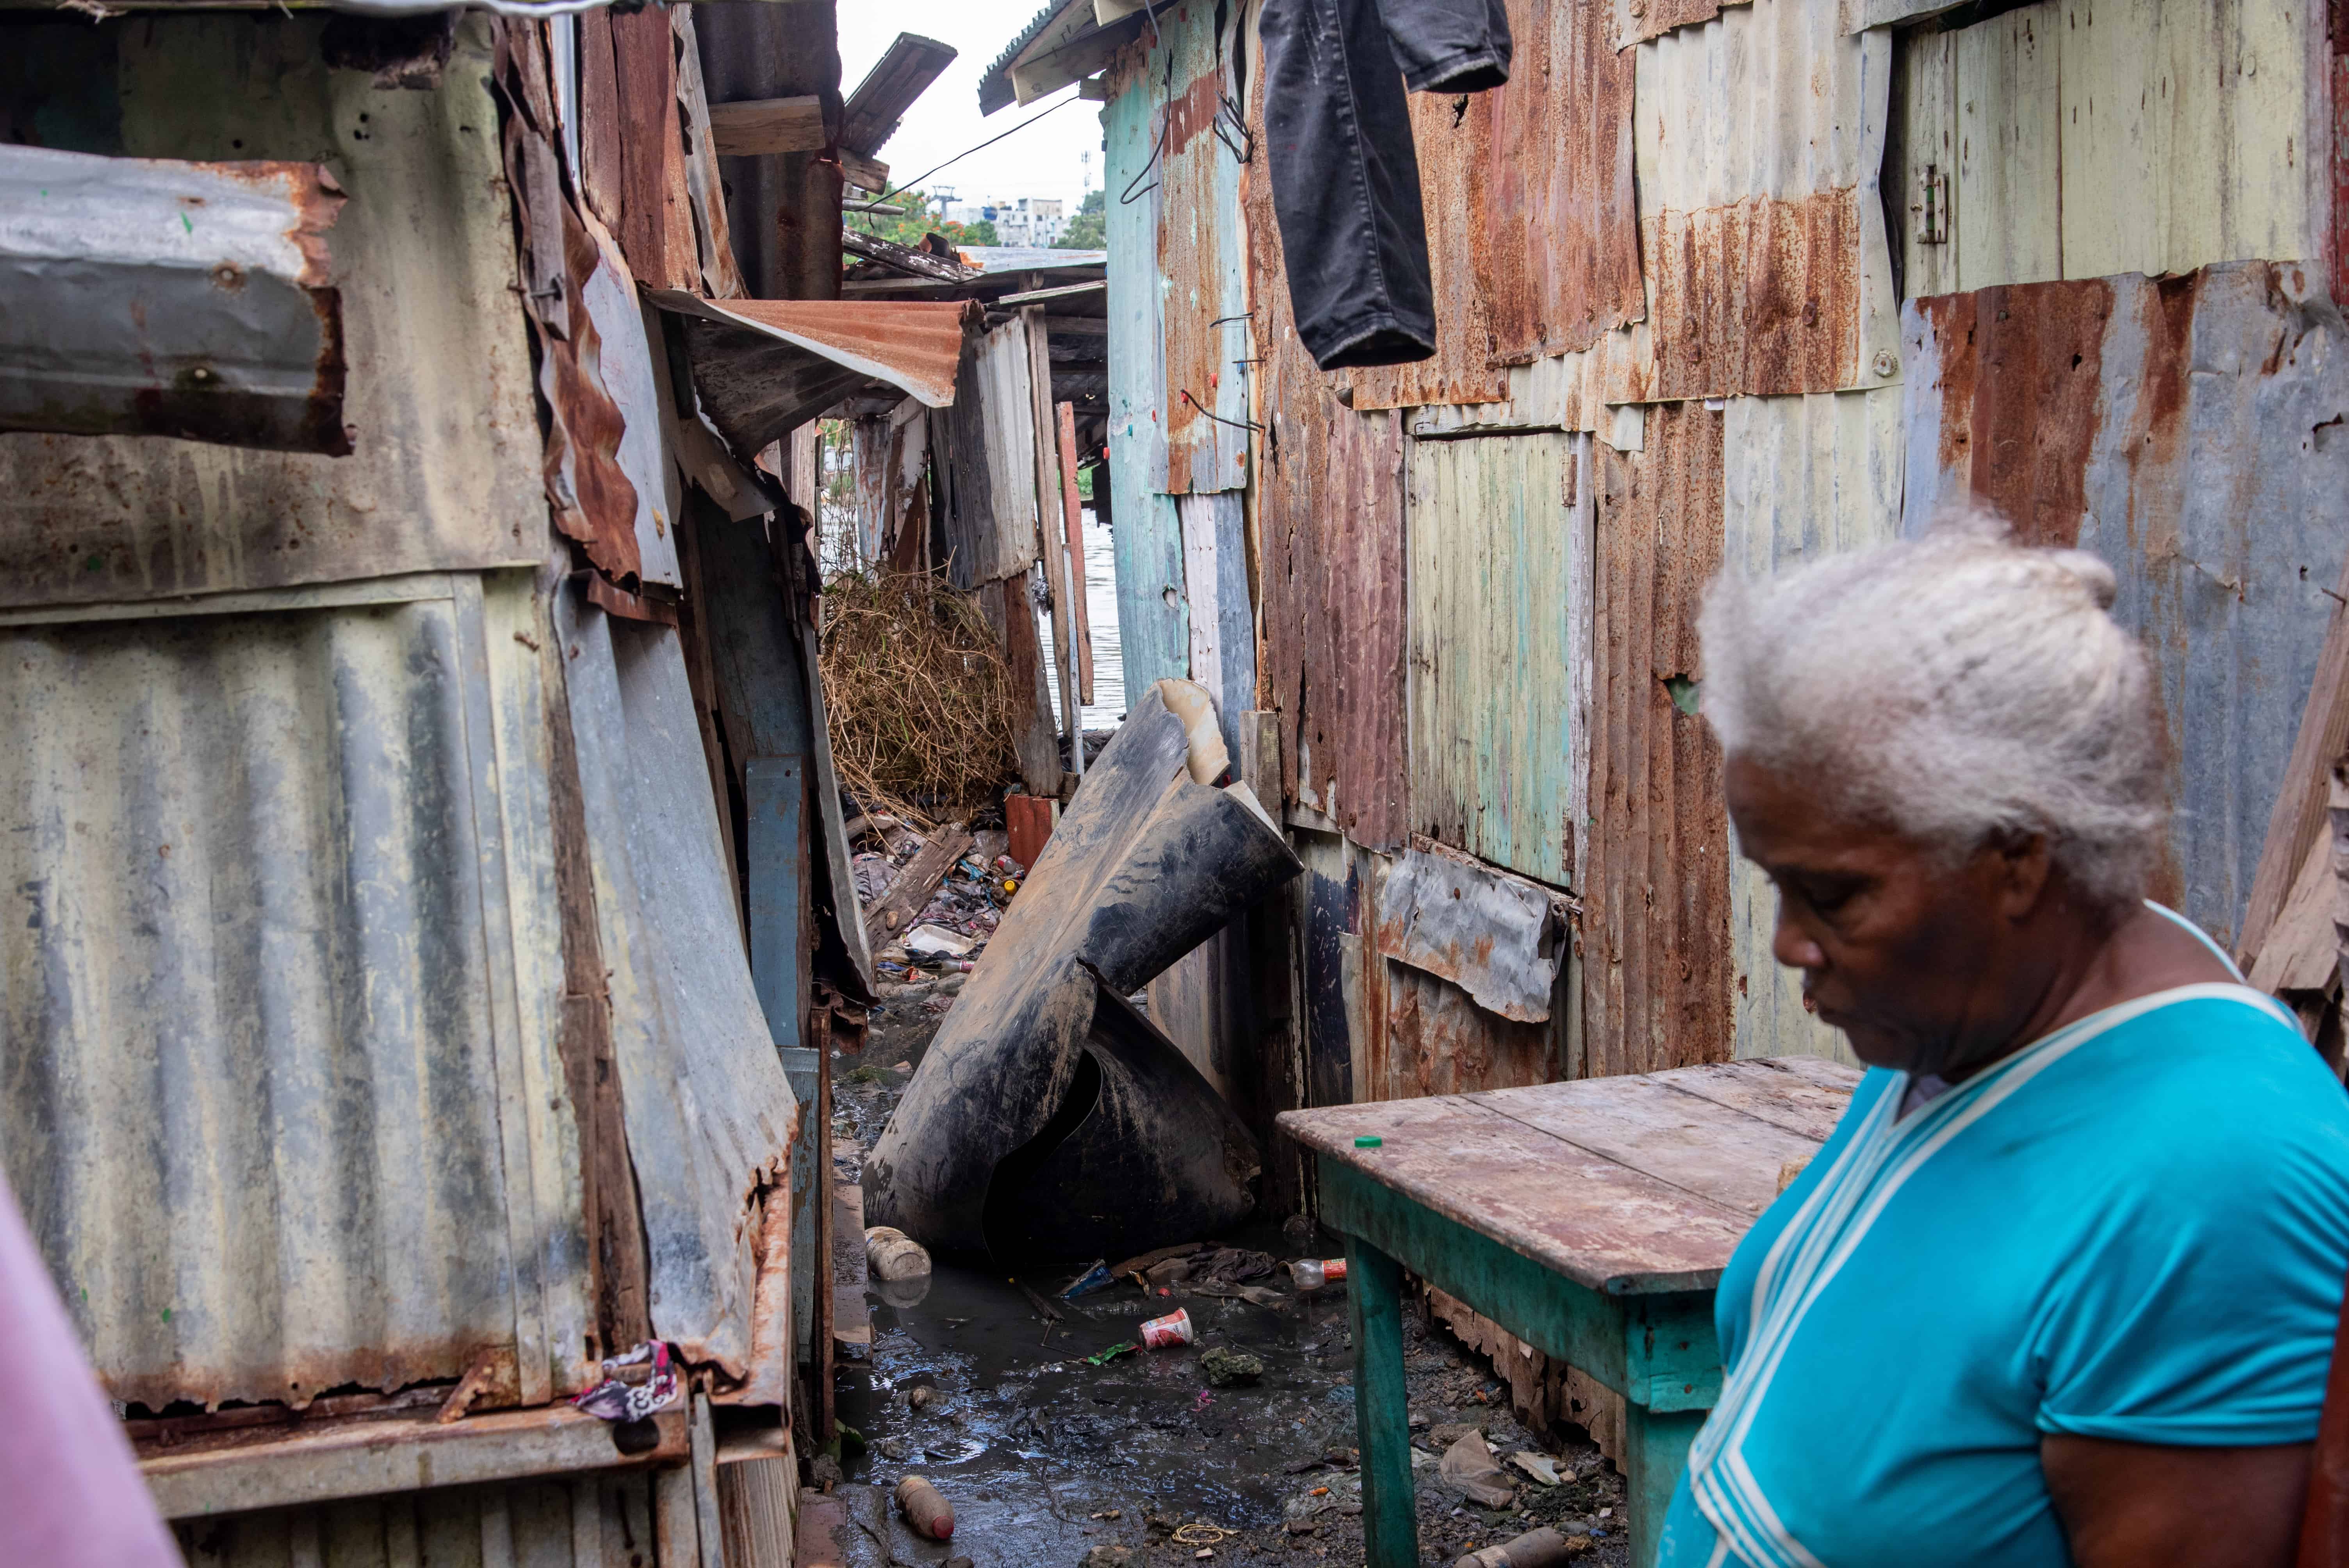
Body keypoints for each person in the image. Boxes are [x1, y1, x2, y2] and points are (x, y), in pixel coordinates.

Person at [1659, 510, 2349, 1568]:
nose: (1791, 943)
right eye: (1777, 885)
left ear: (2018, 857)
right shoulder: (1966, 1018)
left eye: (1833, 894)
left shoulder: (2215, 1182)